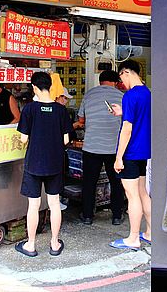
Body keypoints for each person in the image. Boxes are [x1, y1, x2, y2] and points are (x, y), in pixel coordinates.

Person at [14, 72, 74, 258]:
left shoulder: (29, 109)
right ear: (49, 87)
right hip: (55, 163)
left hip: (34, 163)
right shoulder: (61, 110)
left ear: (34, 87)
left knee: (34, 205)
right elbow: (65, 140)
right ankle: (55, 244)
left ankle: (30, 245)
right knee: (54, 203)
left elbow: (23, 139)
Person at [108, 60, 151, 250]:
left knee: (132, 196)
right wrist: (123, 112)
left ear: (126, 72)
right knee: (143, 193)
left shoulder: (130, 95)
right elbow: (141, 116)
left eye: (121, 78)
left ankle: (133, 238)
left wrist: (118, 157)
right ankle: (150, 233)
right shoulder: (148, 93)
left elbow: (127, 129)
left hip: (131, 152)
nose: (121, 83)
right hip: (144, 152)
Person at [73, 70, 125, 225]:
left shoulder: (89, 95)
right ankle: (117, 215)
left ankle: (87, 215)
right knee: (116, 182)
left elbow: (81, 120)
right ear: (115, 82)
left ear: (100, 81)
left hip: (92, 147)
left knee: (89, 182)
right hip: (114, 148)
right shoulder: (121, 96)